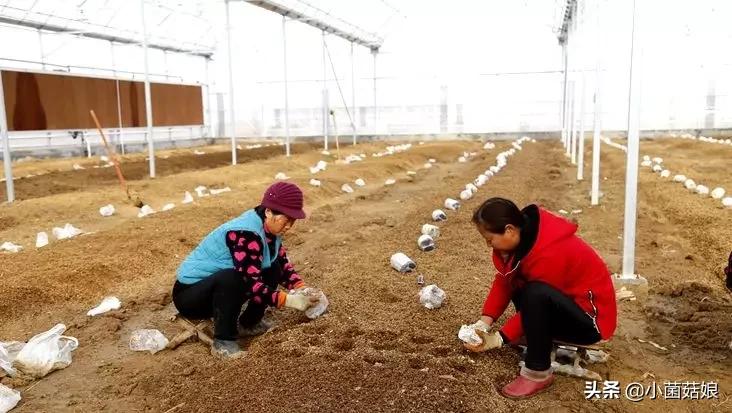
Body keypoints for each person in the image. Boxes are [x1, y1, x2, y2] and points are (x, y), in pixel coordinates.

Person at [463, 197, 617, 399]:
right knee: (522, 286)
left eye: (489, 239)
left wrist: (498, 339)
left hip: (590, 321)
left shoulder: (549, 252)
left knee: (535, 293)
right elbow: (504, 282)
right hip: (565, 305)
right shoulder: (519, 243)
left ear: (509, 230)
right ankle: (534, 334)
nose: (488, 245)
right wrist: (484, 322)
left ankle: (537, 372)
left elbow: (538, 301)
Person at [172, 181, 318, 359]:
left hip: (215, 290)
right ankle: (223, 342)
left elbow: (282, 264)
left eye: (293, 221)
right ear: (268, 212)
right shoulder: (245, 234)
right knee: (233, 278)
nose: (289, 226)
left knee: (273, 268)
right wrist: (289, 301)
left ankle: (249, 324)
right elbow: (250, 282)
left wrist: (301, 287)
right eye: (286, 220)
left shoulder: (270, 231)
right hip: (190, 296)